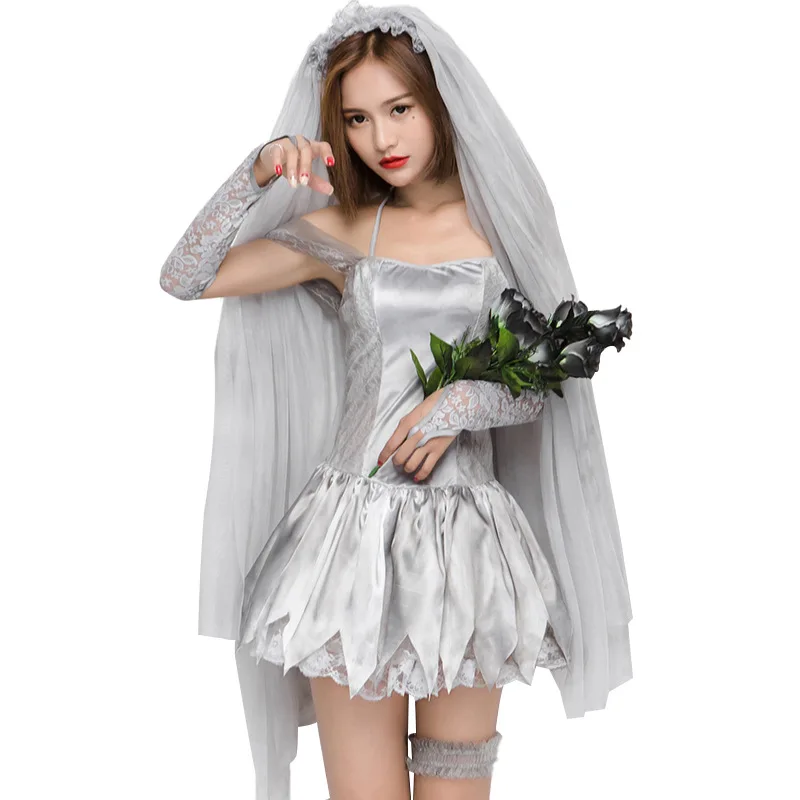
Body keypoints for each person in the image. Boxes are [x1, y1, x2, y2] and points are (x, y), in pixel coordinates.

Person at [159, 3, 633, 799]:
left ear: (439, 101)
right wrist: (257, 173)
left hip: (469, 544)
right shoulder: (344, 230)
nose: (382, 138)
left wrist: (466, 403)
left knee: (457, 788)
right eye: (357, 118)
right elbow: (184, 278)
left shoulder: (498, 226)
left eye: (399, 108)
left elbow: (548, 375)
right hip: (351, 540)